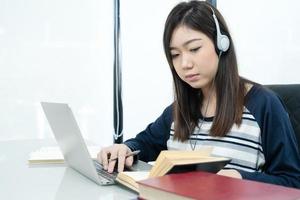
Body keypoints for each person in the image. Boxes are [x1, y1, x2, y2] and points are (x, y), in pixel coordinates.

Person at [98, 0, 300, 188]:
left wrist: (240, 178)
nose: (185, 64)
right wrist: (124, 148)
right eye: (175, 55)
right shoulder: (180, 109)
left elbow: (293, 181)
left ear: (222, 44)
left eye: (194, 49)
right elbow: (145, 143)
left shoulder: (263, 105)